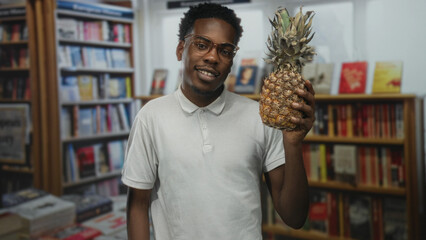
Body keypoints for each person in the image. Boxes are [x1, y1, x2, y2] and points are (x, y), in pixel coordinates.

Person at [121, 3, 315, 240]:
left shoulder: (260, 117)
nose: (213, 57)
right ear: (181, 49)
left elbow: (294, 218)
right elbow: (137, 206)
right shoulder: (150, 117)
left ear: (232, 59)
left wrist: (293, 144)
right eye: (202, 45)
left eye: (225, 50)